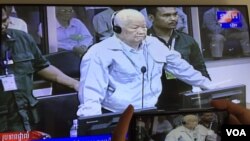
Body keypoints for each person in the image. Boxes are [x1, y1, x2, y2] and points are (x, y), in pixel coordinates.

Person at [77, 8, 215, 117]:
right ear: (117, 29)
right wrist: (91, 124)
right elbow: (91, 92)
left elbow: (182, 68)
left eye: (143, 27)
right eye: (134, 28)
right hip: (117, 114)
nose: (141, 32)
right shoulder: (99, 52)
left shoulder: (153, 44)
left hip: (151, 112)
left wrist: (210, 87)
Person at [1, 7, 79, 132]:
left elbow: (42, 66)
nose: (3, 25)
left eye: (4, 20)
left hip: (25, 117)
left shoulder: (23, 39)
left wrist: (74, 83)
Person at [147, 7, 210, 109]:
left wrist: (209, 96)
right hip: (153, 102)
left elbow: (200, 68)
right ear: (151, 17)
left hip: (185, 98)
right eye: (166, 15)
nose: (173, 18)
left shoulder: (188, 41)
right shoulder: (143, 41)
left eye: (175, 14)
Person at [111, 99, 250, 141]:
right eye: (191, 122)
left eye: (195, 122)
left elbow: (215, 137)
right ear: (184, 123)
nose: (194, 124)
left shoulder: (203, 130)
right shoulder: (174, 134)